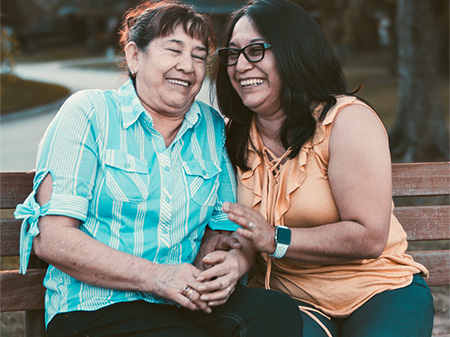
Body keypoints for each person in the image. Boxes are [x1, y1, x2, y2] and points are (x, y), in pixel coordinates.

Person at [14, 2, 303, 336]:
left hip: (181, 303)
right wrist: (157, 277)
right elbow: (53, 239)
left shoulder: (210, 126)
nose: (187, 66)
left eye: (198, 55)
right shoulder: (89, 113)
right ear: (135, 56)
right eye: (173, 50)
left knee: (274, 312)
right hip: (94, 309)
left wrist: (225, 261)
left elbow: (223, 228)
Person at [213, 0, 434, 336]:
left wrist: (275, 238)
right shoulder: (230, 136)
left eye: (256, 50)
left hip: (377, 290)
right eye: (233, 53)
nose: (241, 66)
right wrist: (230, 257)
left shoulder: (345, 122)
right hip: (287, 299)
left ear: (294, 52)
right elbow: (234, 230)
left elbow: (369, 236)